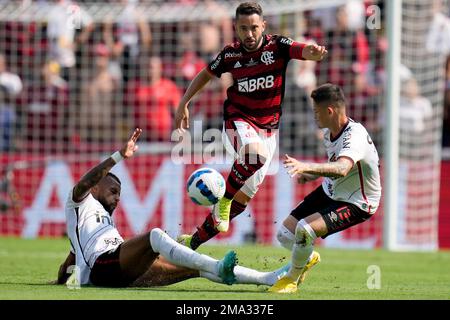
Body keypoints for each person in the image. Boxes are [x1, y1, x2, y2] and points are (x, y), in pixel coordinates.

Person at [175, 2, 327, 249]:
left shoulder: (277, 46)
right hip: (237, 121)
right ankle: (222, 201)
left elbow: (302, 50)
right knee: (254, 158)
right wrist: (184, 102)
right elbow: (205, 74)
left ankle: (192, 242)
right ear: (236, 28)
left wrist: (312, 51)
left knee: (242, 199)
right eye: (243, 28)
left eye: (254, 28)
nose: (249, 34)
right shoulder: (230, 55)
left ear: (263, 26)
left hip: (268, 132)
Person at [55, 128, 289, 288]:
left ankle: (267, 278)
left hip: (120, 270)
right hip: (103, 267)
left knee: (192, 267)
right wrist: (118, 156)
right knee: (156, 235)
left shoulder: (100, 223)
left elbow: (75, 255)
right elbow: (86, 180)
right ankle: (218, 265)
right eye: (113, 191)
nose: (117, 198)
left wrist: (64, 274)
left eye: (119, 194)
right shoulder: (79, 202)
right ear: (95, 187)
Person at [268, 83, 381, 293]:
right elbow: (335, 166)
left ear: (329, 111)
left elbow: (341, 168)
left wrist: (306, 165)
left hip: (358, 202)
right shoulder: (330, 133)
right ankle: (308, 257)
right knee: (285, 234)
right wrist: (309, 175)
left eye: (316, 112)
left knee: (305, 229)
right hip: (332, 190)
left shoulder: (354, 136)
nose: (314, 116)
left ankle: (290, 280)